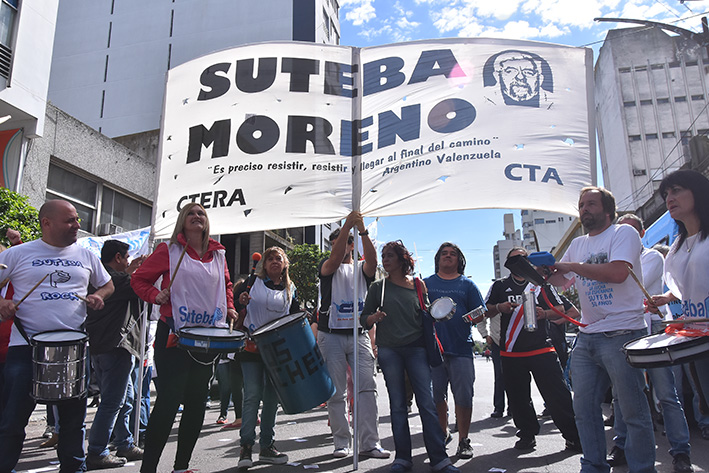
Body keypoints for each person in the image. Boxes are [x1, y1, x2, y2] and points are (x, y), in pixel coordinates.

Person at [0, 200, 115, 473]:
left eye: (77, 219)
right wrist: (2, 303)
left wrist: (99, 296)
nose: (77, 225)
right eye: (70, 220)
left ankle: (74, 469)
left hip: (73, 349)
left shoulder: (86, 255)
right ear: (46, 223)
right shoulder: (17, 254)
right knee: (12, 421)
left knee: (73, 423)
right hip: (25, 348)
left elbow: (108, 284)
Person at [548, 187, 656, 473]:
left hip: (623, 332)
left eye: (591, 204)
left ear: (608, 210)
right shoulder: (578, 244)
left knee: (633, 411)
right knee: (583, 410)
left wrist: (570, 266)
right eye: (581, 205)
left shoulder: (624, 233)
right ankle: (593, 466)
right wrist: (542, 271)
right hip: (587, 336)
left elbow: (618, 273)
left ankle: (643, 468)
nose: (584, 209)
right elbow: (562, 280)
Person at [131, 203, 237, 473]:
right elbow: (139, 280)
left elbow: (226, 285)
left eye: (201, 213)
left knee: (197, 402)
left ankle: (181, 467)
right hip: (174, 335)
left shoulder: (219, 254)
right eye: (191, 213)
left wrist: (230, 306)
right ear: (182, 220)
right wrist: (156, 295)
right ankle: (148, 469)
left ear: (207, 221)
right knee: (168, 401)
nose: (197, 216)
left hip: (208, 338)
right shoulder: (168, 250)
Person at [360, 241, 459, 473]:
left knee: (427, 403)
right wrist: (373, 318)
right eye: (383, 256)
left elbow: (426, 313)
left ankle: (439, 458)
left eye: (390, 255)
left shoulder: (418, 284)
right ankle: (402, 458)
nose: (385, 259)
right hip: (389, 350)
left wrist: (437, 312)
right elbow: (363, 319)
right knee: (398, 405)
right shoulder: (378, 287)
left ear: (402, 259)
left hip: (417, 349)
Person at [611, 214, 693, 472]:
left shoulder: (653, 257)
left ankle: (681, 452)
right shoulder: (614, 260)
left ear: (642, 234)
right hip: (625, 328)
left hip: (654, 329)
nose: (625, 236)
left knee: (667, 393)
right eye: (621, 231)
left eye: (631, 231)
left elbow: (630, 286)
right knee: (621, 394)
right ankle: (620, 445)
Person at [485, 247, 580, 452]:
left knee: (558, 395)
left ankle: (573, 436)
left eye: (523, 258)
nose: (519, 262)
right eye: (514, 259)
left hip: (541, 348)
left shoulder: (540, 283)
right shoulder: (499, 286)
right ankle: (527, 435)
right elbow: (486, 310)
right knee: (518, 398)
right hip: (511, 350)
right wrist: (499, 307)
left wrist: (544, 314)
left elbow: (561, 309)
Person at [317, 211, 389, 459]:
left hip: (359, 335)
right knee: (336, 392)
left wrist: (363, 231)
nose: (338, 246)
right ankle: (341, 442)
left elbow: (373, 262)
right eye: (335, 242)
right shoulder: (326, 266)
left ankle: (370, 442)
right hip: (331, 335)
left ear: (352, 244)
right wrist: (347, 226)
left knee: (367, 389)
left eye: (345, 241)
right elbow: (335, 260)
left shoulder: (361, 268)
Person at [649, 170, 709, 446]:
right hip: (696, 339)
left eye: (676, 190)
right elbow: (689, 286)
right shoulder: (677, 246)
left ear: (698, 191)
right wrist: (666, 298)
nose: (669, 199)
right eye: (666, 194)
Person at [235, 246, 299, 469]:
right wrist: (241, 300)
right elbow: (235, 304)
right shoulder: (252, 282)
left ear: (285, 263)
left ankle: (267, 446)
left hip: (277, 351)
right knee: (252, 395)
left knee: (272, 398)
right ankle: (245, 446)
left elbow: (294, 317)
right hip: (252, 348)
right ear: (263, 263)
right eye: (269, 258)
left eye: (278, 258)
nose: (274, 261)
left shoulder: (291, 288)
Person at [85, 240, 147, 469]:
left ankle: (124, 442)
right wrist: (145, 269)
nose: (129, 262)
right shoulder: (117, 281)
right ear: (118, 257)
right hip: (116, 346)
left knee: (125, 398)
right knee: (112, 402)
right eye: (127, 257)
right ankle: (97, 450)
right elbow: (140, 286)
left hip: (101, 347)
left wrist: (131, 271)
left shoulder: (99, 278)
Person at [424, 242, 485, 459]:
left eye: (452, 254)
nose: (448, 256)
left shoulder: (467, 285)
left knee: (464, 396)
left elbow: (481, 313)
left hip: (461, 348)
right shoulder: (426, 283)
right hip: (432, 350)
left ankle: (464, 440)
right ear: (438, 259)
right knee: (435, 396)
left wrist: (470, 317)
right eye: (444, 253)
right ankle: (443, 432)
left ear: (459, 260)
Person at [476, 301, 508, 418]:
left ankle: (514, 407)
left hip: (516, 342)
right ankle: (499, 407)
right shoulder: (492, 301)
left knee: (517, 376)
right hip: (497, 342)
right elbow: (480, 316)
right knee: (499, 376)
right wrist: (485, 335)